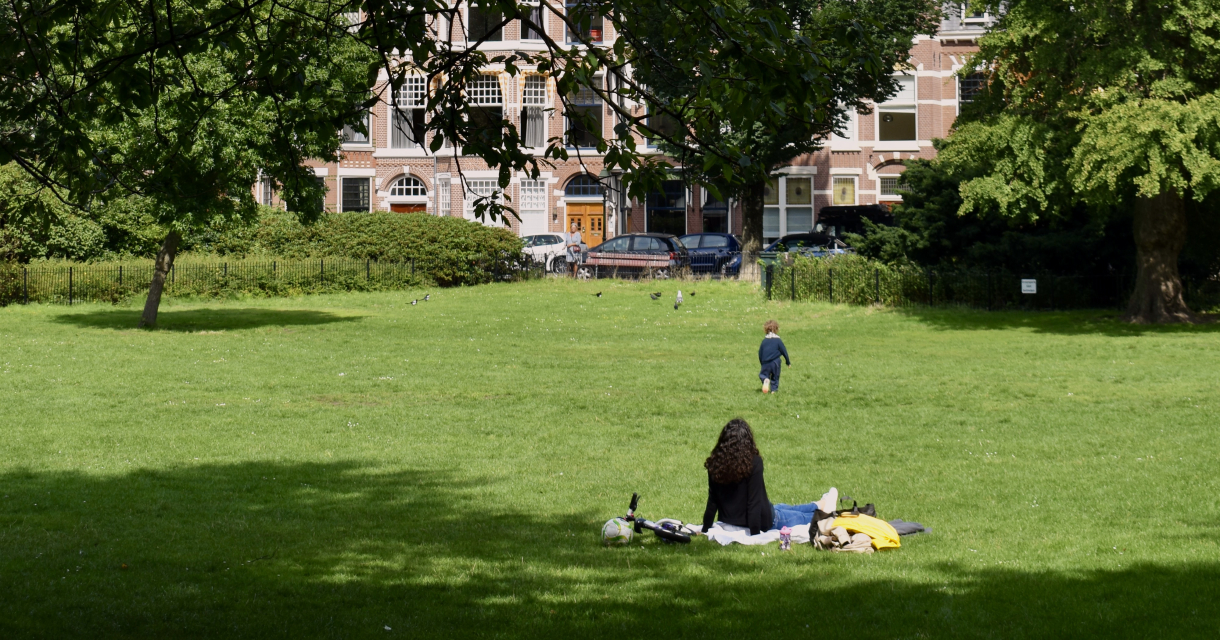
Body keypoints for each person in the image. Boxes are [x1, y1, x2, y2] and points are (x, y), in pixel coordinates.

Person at [699, 418, 820, 536]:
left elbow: (712, 502)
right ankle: (824, 510)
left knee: (782, 508)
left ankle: (818, 504)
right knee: (801, 517)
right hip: (765, 520)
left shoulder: (715, 464)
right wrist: (756, 535)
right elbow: (754, 502)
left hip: (741, 517)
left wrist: (705, 528)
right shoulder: (753, 463)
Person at [758, 319, 790, 394]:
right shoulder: (778, 340)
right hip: (775, 362)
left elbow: (760, 352)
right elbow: (784, 351)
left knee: (763, 374)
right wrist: (788, 362)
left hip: (765, 362)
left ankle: (765, 379)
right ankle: (773, 391)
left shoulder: (764, 341)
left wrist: (762, 362)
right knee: (775, 377)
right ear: (776, 329)